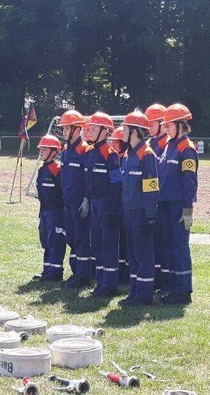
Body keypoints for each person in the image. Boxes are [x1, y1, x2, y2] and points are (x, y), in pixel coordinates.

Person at [157, 103, 198, 305]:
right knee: (169, 245)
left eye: (169, 125)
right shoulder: (168, 145)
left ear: (181, 125)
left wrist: (188, 208)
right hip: (165, 203)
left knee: (180, 246)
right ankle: (172, 287)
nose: (166, 129)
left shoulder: (186, 148)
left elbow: (189, 180)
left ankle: (183, 291)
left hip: (178, 205)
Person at [119, 111, 159, 306]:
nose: (122, 132)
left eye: (125, 129)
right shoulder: (128, 154)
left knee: (143, 255)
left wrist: (150, 217)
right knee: (133, 255)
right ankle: (134, 292)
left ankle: (144, 296)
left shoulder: (147, 155)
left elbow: (151, 188)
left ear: (134, 131)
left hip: (141, 213)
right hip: (129, 212)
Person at [83, 111, 122, 297]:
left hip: (108, 204)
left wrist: (114, 208)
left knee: (108, 244)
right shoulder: (89, 152)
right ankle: (100, 281)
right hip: (95, 203)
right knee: (96, 243)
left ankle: (110, 284)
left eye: (94, 128)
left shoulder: (110, 154)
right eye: (89, 128)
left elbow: (116, 183)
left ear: (105, 131)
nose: (89, 131)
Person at [57, 110, 93, 289]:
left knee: (81, 238)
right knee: (71, 237)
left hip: (80, 203)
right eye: (63, 128)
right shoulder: (66, 150)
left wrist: (86, 199)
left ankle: (84, 275)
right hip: (68, 201)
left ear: (77, 129)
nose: (63, 131)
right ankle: (77, 272)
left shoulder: (84, 150)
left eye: (66, 128)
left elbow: (88, 179)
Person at [33, 134, 67, 282]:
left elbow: (63, 191)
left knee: (55, 241)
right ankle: (47, 270)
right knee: (46, 241)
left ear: (54, 152)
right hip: (45, 212)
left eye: (45, 149)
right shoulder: (42, 169)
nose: (41, 152)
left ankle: (55, 272)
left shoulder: (57, 169)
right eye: (41, 149)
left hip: (56, 213)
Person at [145, 103, 170, 290]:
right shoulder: (152, 143)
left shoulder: (167, 144)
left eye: (152, 124)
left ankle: (162, 279)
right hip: (153, 199)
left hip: (163, 199)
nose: (149, 128)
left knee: (163, 241)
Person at [107, 126, 129, 285]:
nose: (113, 145)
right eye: (112, 142)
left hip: (127, 208)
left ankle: (127, 274)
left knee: (127, 243)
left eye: (117, 142)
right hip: (116, 208)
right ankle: (120, 274)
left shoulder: (129, 160)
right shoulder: (114, 160)